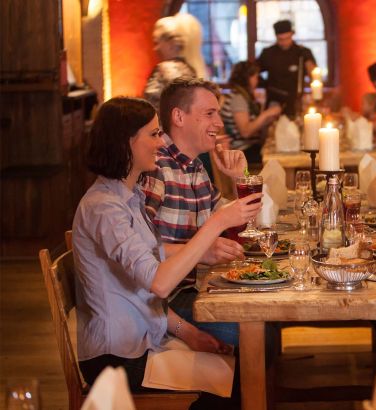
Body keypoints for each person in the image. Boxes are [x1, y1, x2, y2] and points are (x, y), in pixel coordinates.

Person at [72, 96, 262, 407]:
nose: (162, 143)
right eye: (154, 134)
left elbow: (143, 291)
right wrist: (215, 223)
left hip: (145, 339)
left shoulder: (129, 196)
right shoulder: (104, 208)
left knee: (234, 363)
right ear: (125, 142)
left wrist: (187, 332)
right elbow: (159, 283)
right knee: (234, 378)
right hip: (116, 357)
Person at [142, 77, 248, 346]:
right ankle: (223, 388)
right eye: (209, 114)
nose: (219, 123)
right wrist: (201, 250)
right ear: (178, 116)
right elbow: (138, 255)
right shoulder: (155, 168)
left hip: (190, 290)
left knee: (264, 321)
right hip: (161, 305)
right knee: (251, 334)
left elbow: (234, 228)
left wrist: (239, 180)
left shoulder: (195, 166)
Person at [221, 61, 282, 165]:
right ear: (247, 78)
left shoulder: (242, 96)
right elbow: (246, 132)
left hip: (247, 149)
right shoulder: (238, 98)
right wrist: (266, 114)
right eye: (255, 77)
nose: (257, 80)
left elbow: (253, 127)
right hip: (242, 153)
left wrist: (267, 120)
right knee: (278, 160)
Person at [257, 19, 316, 117]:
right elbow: (253, 72)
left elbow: (314, 76)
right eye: (281, 39)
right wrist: (264, 85)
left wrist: (311, 94)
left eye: (287, 38)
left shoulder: (303, 53)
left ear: (292, 35)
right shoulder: (268, 53)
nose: (284, 42)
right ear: (276, 37)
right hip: (274, 100)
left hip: (296, 100)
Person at [144, 15, 197, 111]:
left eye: (157, 42)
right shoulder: (189, 69)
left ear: (170, 43)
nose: (156, 48)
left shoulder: (165, 71)